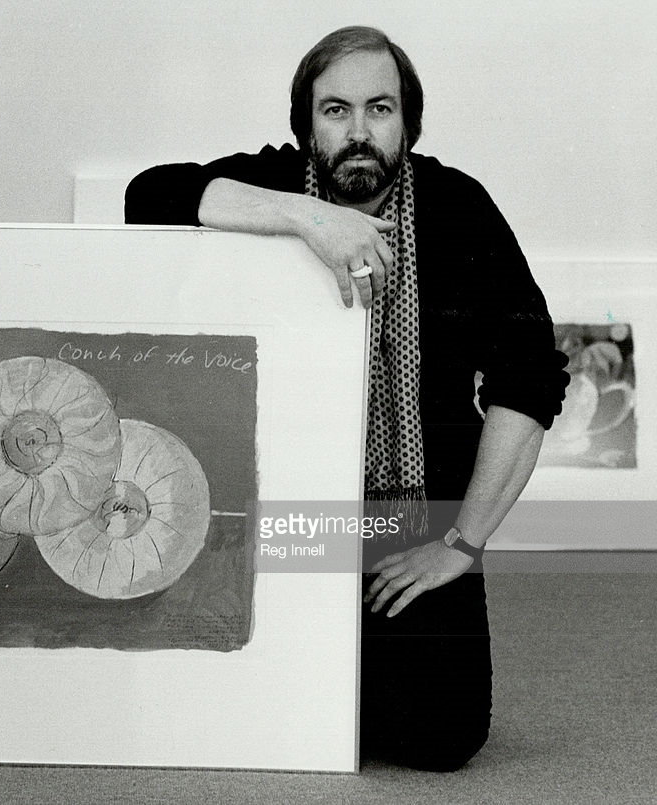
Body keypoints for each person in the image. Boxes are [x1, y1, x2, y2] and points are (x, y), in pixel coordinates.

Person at [125, 26, 568, 771]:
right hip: (283, 524)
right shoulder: (271, 187)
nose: (358, 133)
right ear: (306, 124)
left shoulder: (460, 209)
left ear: (408, 122)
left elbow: (530, 377)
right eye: (335, 110)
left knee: (441, 738)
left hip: (411, 527)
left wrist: (461, 543)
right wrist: (308, 217)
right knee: (243, 720)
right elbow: (148, 197)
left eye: (379, 109)